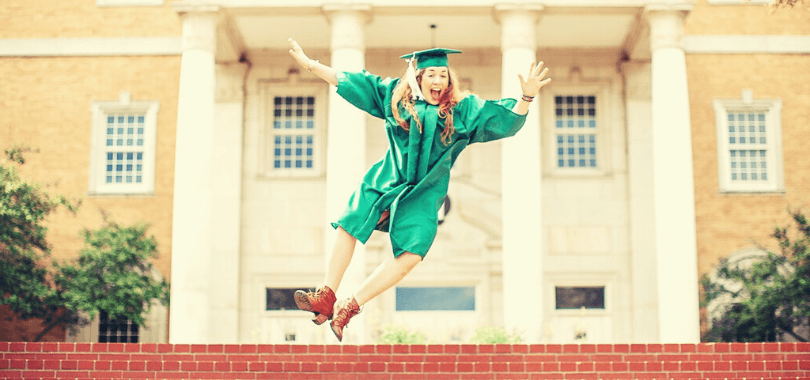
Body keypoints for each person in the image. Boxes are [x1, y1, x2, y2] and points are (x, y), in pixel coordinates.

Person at [287, 38, 550, 342]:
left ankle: (350, 305)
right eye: (431, 74)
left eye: (443, 74)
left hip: (425, 192)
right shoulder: (395, 101)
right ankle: (327, 294)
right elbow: (355, 82)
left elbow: (502, 121)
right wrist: (311, 65)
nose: (438, 80)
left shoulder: (463, 110)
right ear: (418, 77)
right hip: (388, 177)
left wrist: (526, 98)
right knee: (350, 221)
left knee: (411, 254)